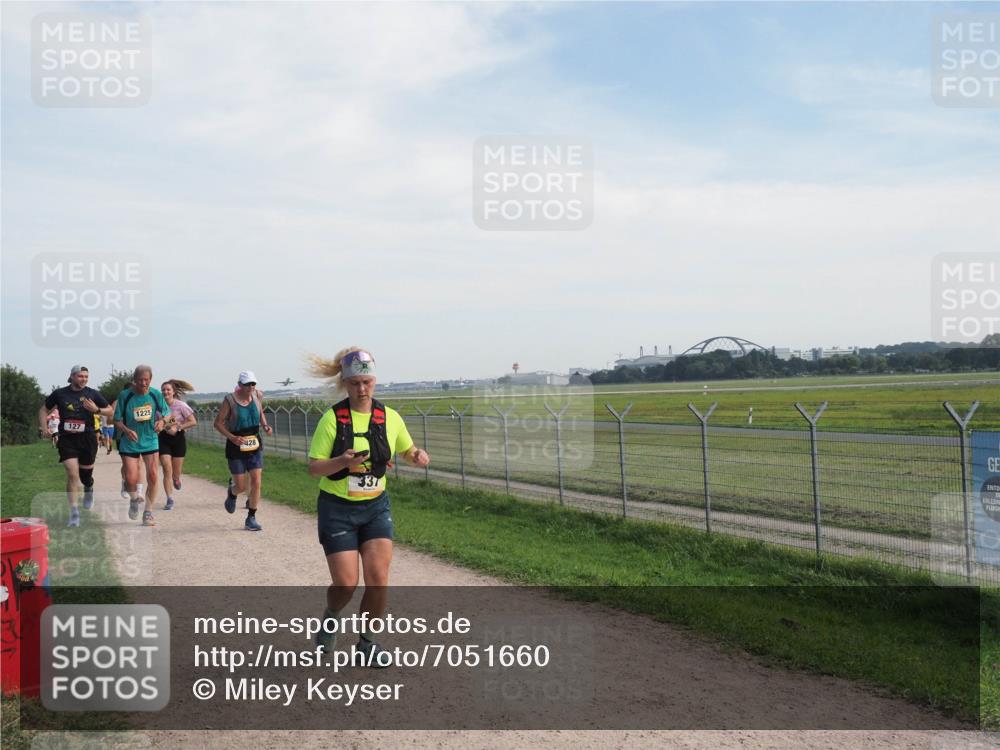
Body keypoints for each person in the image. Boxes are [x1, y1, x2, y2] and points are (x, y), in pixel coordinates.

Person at [306, 348, 430, 665]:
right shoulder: (332, 419)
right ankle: (331, 617)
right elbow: (314, 467)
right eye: (356, 383)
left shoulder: (389, 417)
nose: (362, 389)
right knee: (346, 583)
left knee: (378, 579)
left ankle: (367, 645)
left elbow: (405, 448)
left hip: (375, 507)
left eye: (367, 382)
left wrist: (415, 455)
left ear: (375, 381)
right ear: (346, 384)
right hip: (337, 509)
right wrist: (341, 462)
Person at [37, 366, 113, 527]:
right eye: (80, 376)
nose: (84, 379)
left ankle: (89, 487)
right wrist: (45, 428)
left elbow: (110, 411)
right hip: (67, 440)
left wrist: (97, 409)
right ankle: (74, 513)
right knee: (72, 474)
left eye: (86, 376)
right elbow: (43, 410)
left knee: (85, 476)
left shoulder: (92, 393)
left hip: (87, 439)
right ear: (72, 377)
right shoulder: (60, 394)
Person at [214, 371, 272, 531]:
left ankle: (251, 517)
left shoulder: (257, 396)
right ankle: (232, 493)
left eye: (253, 384)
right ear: (240, 384)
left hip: (254, 443)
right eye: (247, 384)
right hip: (236, 444)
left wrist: (265, 426)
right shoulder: (229, 400)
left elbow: (260, 413)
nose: (251, 387)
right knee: (240, 486)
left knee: (256, 481)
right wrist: (232, 437)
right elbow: (218, 423)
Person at [114, 365, 170, 527]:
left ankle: (148, 512)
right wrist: (126, 429)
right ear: (134, 380)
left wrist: (162, 421)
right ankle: (133, 499)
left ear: (150, 380)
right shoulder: (125, 395)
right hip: (130, 441)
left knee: (152, 476)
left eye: (146, 380)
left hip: (150, 439)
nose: (143, 383)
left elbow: (167, 412)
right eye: (140, 380)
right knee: (131, 479)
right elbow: (116, 419)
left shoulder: (155, 394)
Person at [158, 379, 197, 510]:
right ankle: (169, 499)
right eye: (163, 390)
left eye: (168, 389)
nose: (165, 392)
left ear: (173, 392)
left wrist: (179, 427)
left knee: (175, 471)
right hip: (163, 439)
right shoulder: (157, 407)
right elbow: (155, 422)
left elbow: (193, 421)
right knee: (166, 468)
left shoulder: (181, 405)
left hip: (178, 439)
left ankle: (176, 478)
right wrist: (162, 427)